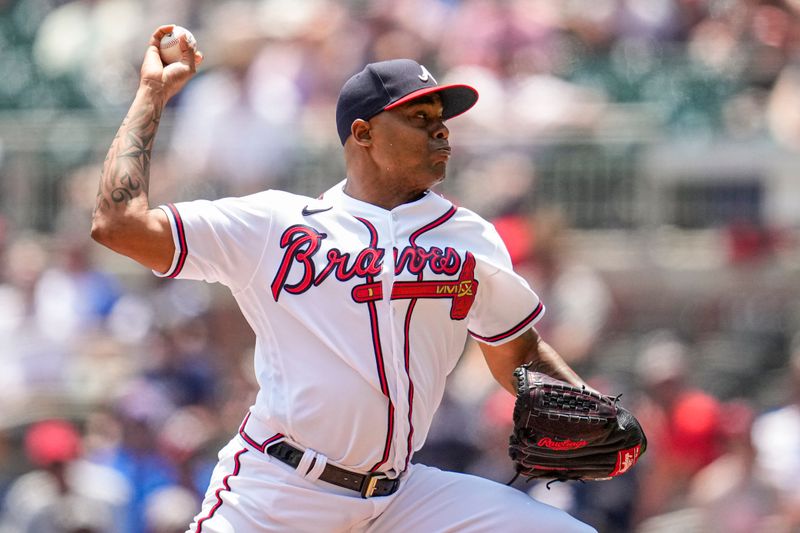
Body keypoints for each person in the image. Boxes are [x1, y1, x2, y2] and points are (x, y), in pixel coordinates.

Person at [91, 24, 598, 532]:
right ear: (363, 133)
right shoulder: (277, 224)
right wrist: (151, 95)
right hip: (280, 491)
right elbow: (118, 225)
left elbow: (518, 353)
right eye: (419, 118)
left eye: (441, 120)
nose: (440, 131)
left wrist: (588, 408)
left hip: (402, 499)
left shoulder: (469, 236)